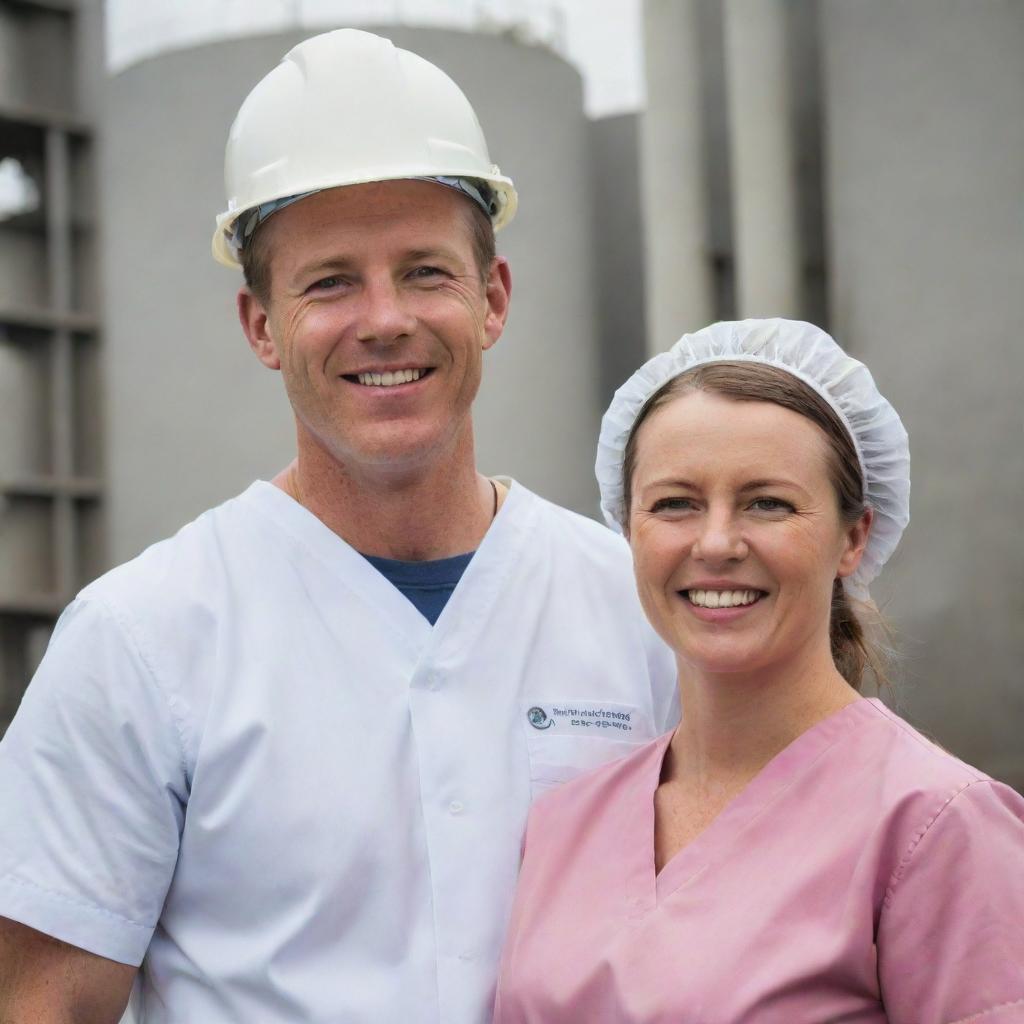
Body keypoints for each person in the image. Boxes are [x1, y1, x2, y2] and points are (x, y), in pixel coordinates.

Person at [0, 29, 677, 1024]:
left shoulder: (634, 607)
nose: (384, 317)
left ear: (491, 299)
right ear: (260, 325)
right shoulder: (140, 639)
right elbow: (43, 1002)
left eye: (425, 271)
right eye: (329, 282)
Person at [493, 318, 1024, 1023]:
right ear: (628, 529)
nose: (716, 543)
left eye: (767, 504)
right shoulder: (568, 822)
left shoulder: (936, 826)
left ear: (853, 537)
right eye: (675, 504)